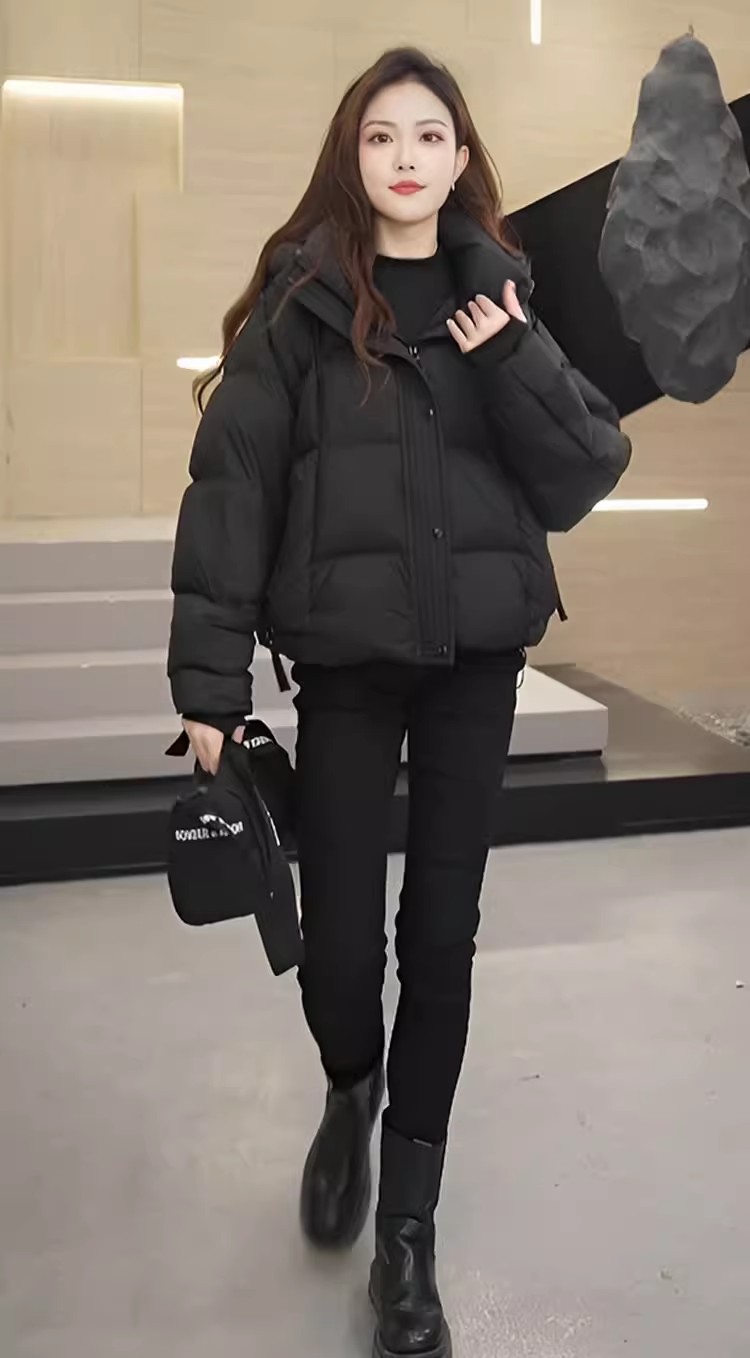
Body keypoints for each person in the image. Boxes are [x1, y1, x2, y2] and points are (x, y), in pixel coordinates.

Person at [167, 46, 632, 1358]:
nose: (408, 158)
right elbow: (232, 487)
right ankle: (348, 1083)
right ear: (353, 156)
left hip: (475, 662)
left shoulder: (506, 294)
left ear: (461, 156)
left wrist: (515, 354)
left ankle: (407, 1233)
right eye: (383, 136)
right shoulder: (304, 303)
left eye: (430, 135)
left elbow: (585, 469)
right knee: (338, 945)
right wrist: (208, 684)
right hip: (346, 663)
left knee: (440, 939)